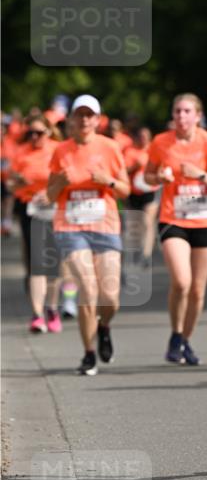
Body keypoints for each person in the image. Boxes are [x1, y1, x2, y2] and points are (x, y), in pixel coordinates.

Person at [47, 95, 130, 375]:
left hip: (105, 226)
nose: (84, 120)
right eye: (79, 115)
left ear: (97, 119)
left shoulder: (110, 147)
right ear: (71, 118)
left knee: (110, 297)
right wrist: (60, 181)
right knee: (88, 289)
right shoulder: (61, 150)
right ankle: (88, 353)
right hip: (70, 227)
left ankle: (104, 326)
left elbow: (125, 190)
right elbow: (49, 194)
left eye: (89, 115)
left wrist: (106, 180)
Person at [144, 93, 207, 365]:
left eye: (187, 111)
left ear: (197, 115)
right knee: (182, 281)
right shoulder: (160, 142)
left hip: (206, 220)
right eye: (177, 111)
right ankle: (176, 332)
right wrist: (159, 177)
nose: (181, 116)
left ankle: (184, 340)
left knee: (198, 289)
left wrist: (199, 175)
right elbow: (147, 176)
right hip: (173, 218)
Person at [8, 113, 62, 333]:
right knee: (35, 261)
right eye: (30, 133)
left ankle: (52, 307)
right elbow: (10, 184)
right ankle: (37, 314)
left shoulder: (58, 150)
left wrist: (50, 190)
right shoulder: (21, 153)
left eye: (39, 132)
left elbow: (67, 178)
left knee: (52, 262)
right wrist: (18, 182)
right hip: (30, 208)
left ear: (49, 132)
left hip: (55, 209)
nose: (34, 137)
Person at [124, 126, 159, 267]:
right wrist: (134, 166)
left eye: (146, 135)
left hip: (150, 191)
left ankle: (146, 254)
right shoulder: (130, 151)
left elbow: (162, 168)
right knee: (136, 224)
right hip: (134, 192)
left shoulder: (154, 150)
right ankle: (138, 248)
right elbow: (123, 171)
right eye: (141, 136)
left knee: (147, 222)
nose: (143, 138)